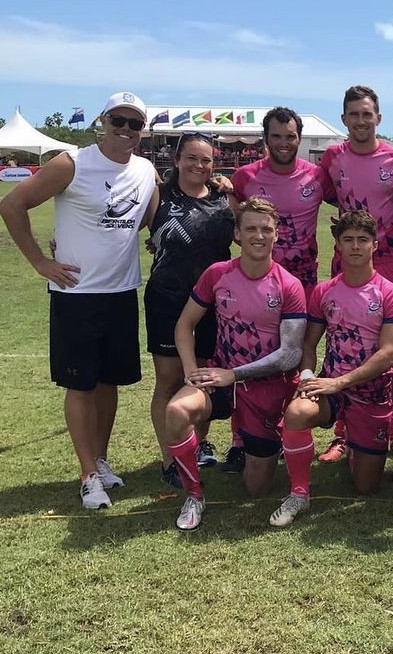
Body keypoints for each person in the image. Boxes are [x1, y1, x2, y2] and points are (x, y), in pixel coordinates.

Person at [0, 91, 158, 509]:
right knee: (80, 384)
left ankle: (101, 461)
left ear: (143, 130)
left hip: (121, 293)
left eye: (134, 124)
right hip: (76, 295)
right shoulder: (72, 163)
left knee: (109, 383)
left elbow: (145, 216)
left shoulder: (145, 170)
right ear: (103, 121)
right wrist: (39, 262)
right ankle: (87, 475)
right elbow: (12, 204)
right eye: (118, 121)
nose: (125, 130)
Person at [162, 198, 307, 530]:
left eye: (266, 229)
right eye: (251, 229)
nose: (259, 236)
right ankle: (194, 495)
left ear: (276, 234)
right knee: (176, 411)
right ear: (237, 234)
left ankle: (262, 446)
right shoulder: (217, 274)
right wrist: (189, 372)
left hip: (265, 389)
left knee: (256, 489)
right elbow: (184, 325)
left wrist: (233, 374)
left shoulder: (289, 285)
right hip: (218, 377)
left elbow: (289, 356)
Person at [279, 210, 393, 518]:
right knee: (297, 412)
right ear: (337, 245)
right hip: (331, 388)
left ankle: (357, 444)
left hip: (372, 393)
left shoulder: (391, 294)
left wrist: (338, 382)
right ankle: (299, 493)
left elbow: (389, 354)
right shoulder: (324, 291)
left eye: (362, 240)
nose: (355, 246)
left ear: (375, 245)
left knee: (366, 487)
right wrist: (309, 378)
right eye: (347, 240)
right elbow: (308, 344)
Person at [316, 85, 393, 468]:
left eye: (367, 114)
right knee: (343, 343)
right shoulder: (332, 157)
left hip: (390, 264)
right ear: (344, 119)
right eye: (353, 114)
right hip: (345, 263)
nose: (361, 120)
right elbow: (324, 193)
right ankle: (344, 432)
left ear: (379, 118)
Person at [229, 106, 334, 473]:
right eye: (276, 136)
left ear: (299, 139)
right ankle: (240, 439)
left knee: (292, 356)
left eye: (291, 137)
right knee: (248, 352)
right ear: (265, 138)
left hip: (301, 285)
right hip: (255, 284)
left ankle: (285, 430)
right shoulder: (244, 177)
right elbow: (232, 218)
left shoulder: (318, 177)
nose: (284, 143)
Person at [145, 132, 235, 488]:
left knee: (205, 375)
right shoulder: (158, 195)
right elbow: (120, 227)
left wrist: (234, 194)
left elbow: (247, 233)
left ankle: (197, 444)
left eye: (207, 160)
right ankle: (170, 458)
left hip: (214, 301)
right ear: (177, 159)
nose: (200, 165)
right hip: (167, 298)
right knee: (169, 380)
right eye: (192, 158)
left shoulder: (222, 198)